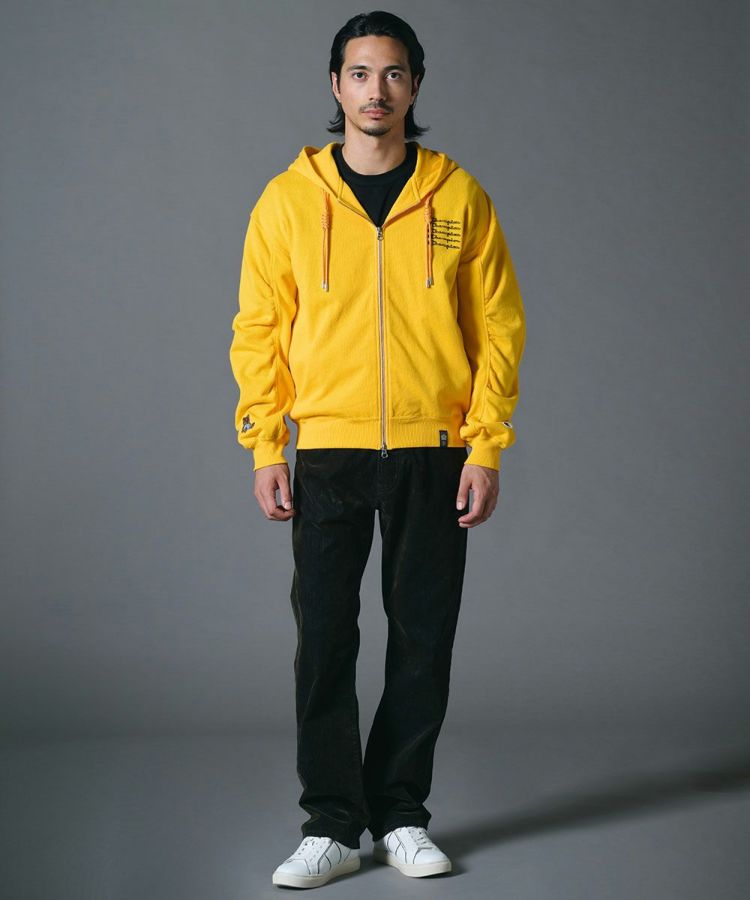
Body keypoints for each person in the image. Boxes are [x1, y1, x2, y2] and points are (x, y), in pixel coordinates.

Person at [229, 10, 526, 890]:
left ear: (415, 85)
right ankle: (330, 822)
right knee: (324, 641)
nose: (376, 90)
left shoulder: (459, 197)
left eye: (393, 73)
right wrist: (266, 443)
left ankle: (399, 814)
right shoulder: (287, 201)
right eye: (359, 73)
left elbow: (498, 328)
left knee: (422, 639)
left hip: (434, 451)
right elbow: (258, 329)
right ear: (336, 85)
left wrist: (485, 447)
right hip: (327, 451)